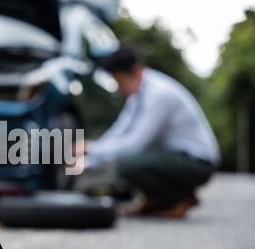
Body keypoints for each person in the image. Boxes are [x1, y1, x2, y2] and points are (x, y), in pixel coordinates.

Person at [80, 47, 220, 218]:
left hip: (197, 162)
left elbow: (135, 144)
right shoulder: (137, 96)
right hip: (174, 158)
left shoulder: (159, 95)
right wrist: (89, 158)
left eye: (119, 82)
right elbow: (118, 133)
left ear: (136, 73)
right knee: (130, 162)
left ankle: (179, 197)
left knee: (127, 165)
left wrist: (92, 149)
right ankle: (159, 200)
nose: (118, 89)